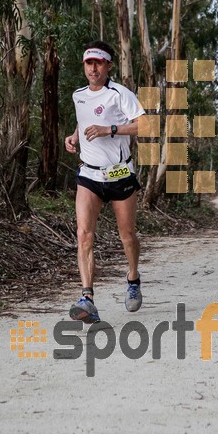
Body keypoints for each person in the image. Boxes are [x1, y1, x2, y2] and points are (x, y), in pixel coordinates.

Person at [64, 40, 146, 324]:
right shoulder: (79, 95)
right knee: (84, 234)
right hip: (89, 174)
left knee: (127, 236)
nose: (93, 68)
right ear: (84, 66)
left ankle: (133, 277)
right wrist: (74, 137)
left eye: (99, 62)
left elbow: (145, 124)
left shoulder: (120, 93)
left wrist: (109, 129)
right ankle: (87, 298)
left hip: (119, 173)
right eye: (89, 62)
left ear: (109, 65)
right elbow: (83, 119)